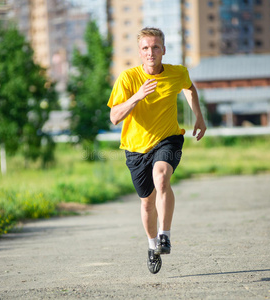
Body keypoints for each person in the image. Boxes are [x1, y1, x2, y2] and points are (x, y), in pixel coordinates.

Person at [107, 27, 206, 274]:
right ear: (139, 52)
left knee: (162, 178)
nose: (150, 52)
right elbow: (114, 117)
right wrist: (136, 97)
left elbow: (189, 88)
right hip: (136, 148)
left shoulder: (177, 72)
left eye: (155, 47)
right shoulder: (128, 79)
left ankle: (165, 235)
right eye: (145, 48)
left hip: (168, 139)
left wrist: (199, 117)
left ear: (163, 49)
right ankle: (152, 246)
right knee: (147, 203)